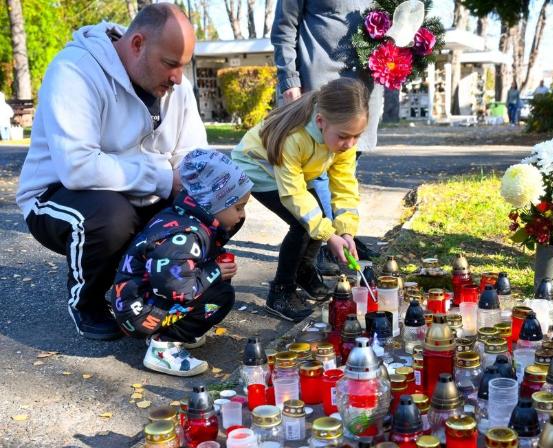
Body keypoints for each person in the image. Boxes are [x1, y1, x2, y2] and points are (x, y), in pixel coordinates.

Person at [15, 4, 206, 340]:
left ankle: (159, 297)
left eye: (183, 66)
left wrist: (203, 191)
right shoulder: (74, 70)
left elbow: (191, 155)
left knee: (213, 209)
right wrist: (164, 178)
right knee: (111, 217)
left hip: (140, 192)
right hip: (59, 196)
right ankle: (86, 302)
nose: (178, 77)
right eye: (171, 64)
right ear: (137, 44)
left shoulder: (175, 83)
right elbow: (78, 167)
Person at [231, 78, 367, 323]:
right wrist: (328, 235)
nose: (350, 144)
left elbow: (344, 186)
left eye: (357, 136)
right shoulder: (294, 137)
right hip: (257, 169)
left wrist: (345, 231)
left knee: (319, 219)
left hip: (290, 172)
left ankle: (303, 271)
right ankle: (280, 293)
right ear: (320, 122)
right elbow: (294, 195)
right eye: (345, 137)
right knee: (303, 223)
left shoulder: (341, 138)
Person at [110, 150, 252, 376]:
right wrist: (214, 270)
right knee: (221, 296)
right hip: (138, 311)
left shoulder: (186, 217)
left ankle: (175, 330)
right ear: (213, 203)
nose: (242, 216)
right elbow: (178, 289)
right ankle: (164, 346)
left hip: (142, 299)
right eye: (238, 207)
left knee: (217, 290)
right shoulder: (185, 236)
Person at [272, 0, 382, 273]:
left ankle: (341, 236)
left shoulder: (348, 137)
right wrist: (290, 79)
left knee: (345, 167)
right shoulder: (298, 140)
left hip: (364, 86)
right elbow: (284, 26)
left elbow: (344, 183)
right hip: (319, 82)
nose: (350, 142)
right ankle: (321, 247)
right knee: (315, 178)